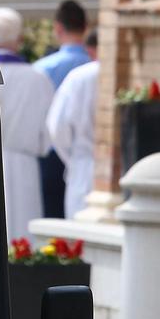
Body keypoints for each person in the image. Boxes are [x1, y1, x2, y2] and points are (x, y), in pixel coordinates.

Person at [0, 7, 55, 243]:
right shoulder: (38, 79)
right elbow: (48, 135)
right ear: (20, 40)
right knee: (25, 241)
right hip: (25, 170)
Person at [33, 0, 92, 219]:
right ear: (86, 28)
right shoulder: (95, 66)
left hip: (51, 155)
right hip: (83, 154)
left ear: (57, 28)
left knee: (51, 219)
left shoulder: (41, 69)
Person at [45, 29, 101, 219]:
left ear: (91, 50)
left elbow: (56, 126)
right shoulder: (129, 73)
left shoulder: (79, 77)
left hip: (82, 165)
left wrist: (71, 157)